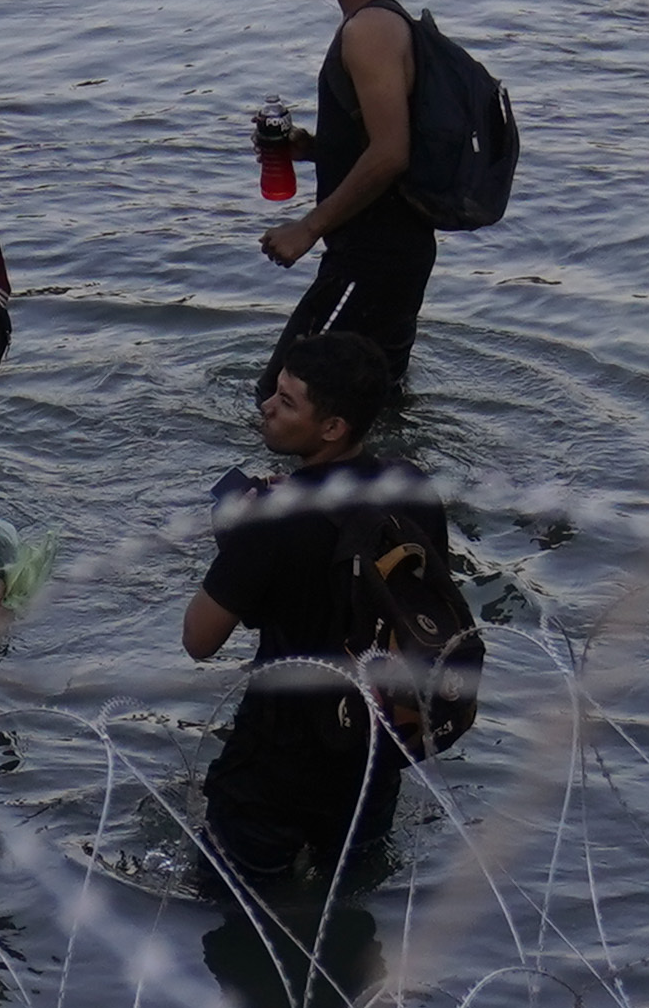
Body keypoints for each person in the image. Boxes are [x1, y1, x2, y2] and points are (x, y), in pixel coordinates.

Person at [183, 330, 452, 896]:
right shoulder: (412, 487)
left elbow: (200, 638)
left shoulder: (273, 520)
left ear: (332, 427)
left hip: (276, 764)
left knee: (232, 913)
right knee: (346, 908)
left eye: (286, 401)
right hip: (373, 752)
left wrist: (238, 541)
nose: (266, 407)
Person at [253, 0, 436, 395]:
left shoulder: (370, 30)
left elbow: (391, 153)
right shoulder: (379, 24)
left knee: (283, 399)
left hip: (371, 260)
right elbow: (382, 141)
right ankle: (398, 476)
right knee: (366, 405)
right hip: (393, 255)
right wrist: (309, 148)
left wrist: (307, 228)